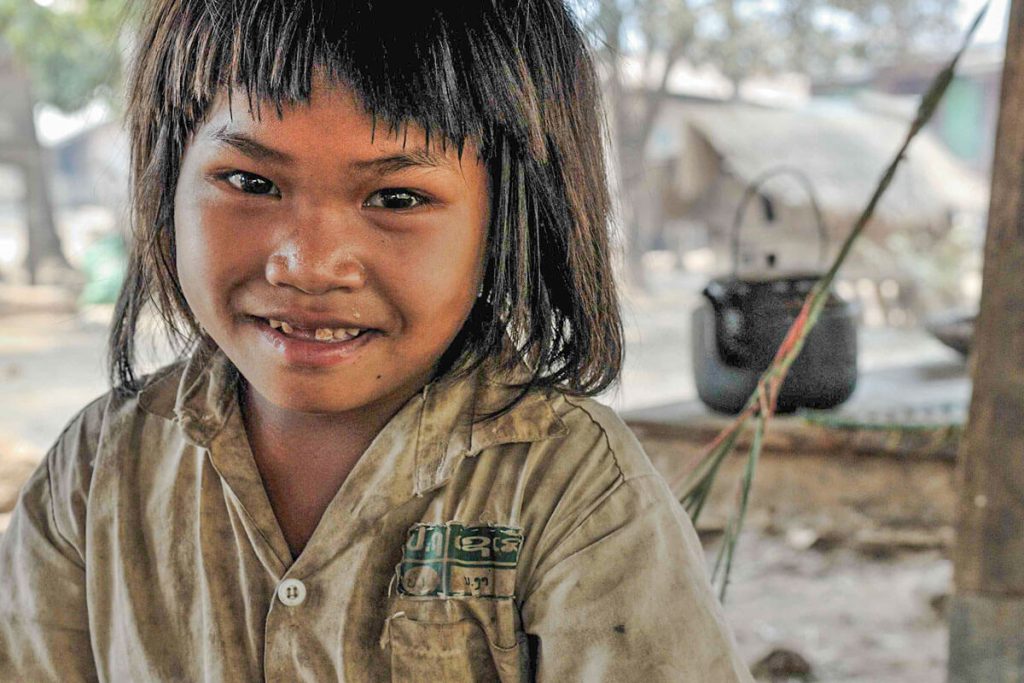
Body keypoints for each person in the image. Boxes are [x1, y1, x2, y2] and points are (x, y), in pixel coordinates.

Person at [0, 1, 753, 680]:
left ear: (508, 221)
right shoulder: (96, 471)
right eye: (251, 182)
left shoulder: (572, 491)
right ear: (167, 182)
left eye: (396, 197)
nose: (308, 264)